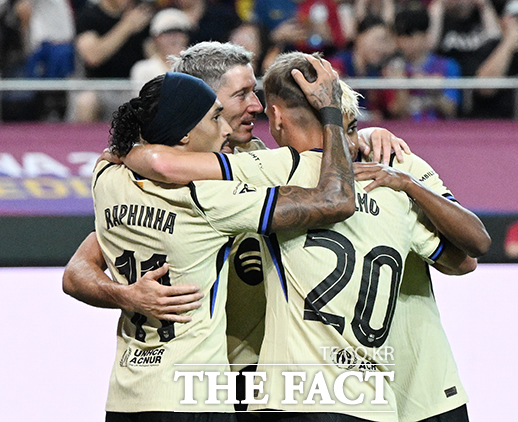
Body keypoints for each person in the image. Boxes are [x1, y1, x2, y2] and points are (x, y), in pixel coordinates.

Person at [112, 52, 488, 421]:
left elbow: (163, 163)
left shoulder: (272, 169)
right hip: (359, 395)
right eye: (241, 94)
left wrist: (122, 153)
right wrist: (123, 294)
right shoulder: (387, 178)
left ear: (278, 117)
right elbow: (465, 257)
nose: (255, 106)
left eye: (257, 94)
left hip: (315, 390)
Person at [92, 59, 356, 420]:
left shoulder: (106, 176)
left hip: (127, 395)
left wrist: (136, 151)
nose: (225, 129)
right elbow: (335, 201)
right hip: (196, 394)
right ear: (184, 135)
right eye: (216, 117)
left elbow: (131, 160)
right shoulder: (209, 197)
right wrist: (333, 117)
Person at [72, 0, 152, 122]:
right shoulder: (89, 16)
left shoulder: (140, 15)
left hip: (134, 88)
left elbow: (154, 56)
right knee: (86, 101)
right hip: (100, 89)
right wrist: (127, 26)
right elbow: (93, 57)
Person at [394, 6, 462, 120]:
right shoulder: (393, 68)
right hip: (405, 129)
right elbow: (397, 112)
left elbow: (450, 109)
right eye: (400, 36)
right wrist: (401, 84)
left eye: (409, 36)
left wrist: (431, 89)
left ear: (425, 35)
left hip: (437, 129)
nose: (403, 42)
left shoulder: (448, 66)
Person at [130, 8, 192, 94]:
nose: (174, 37)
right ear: (156, 38)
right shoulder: (144, 69)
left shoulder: (197, 68)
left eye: (180, 31)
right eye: (167, 33)